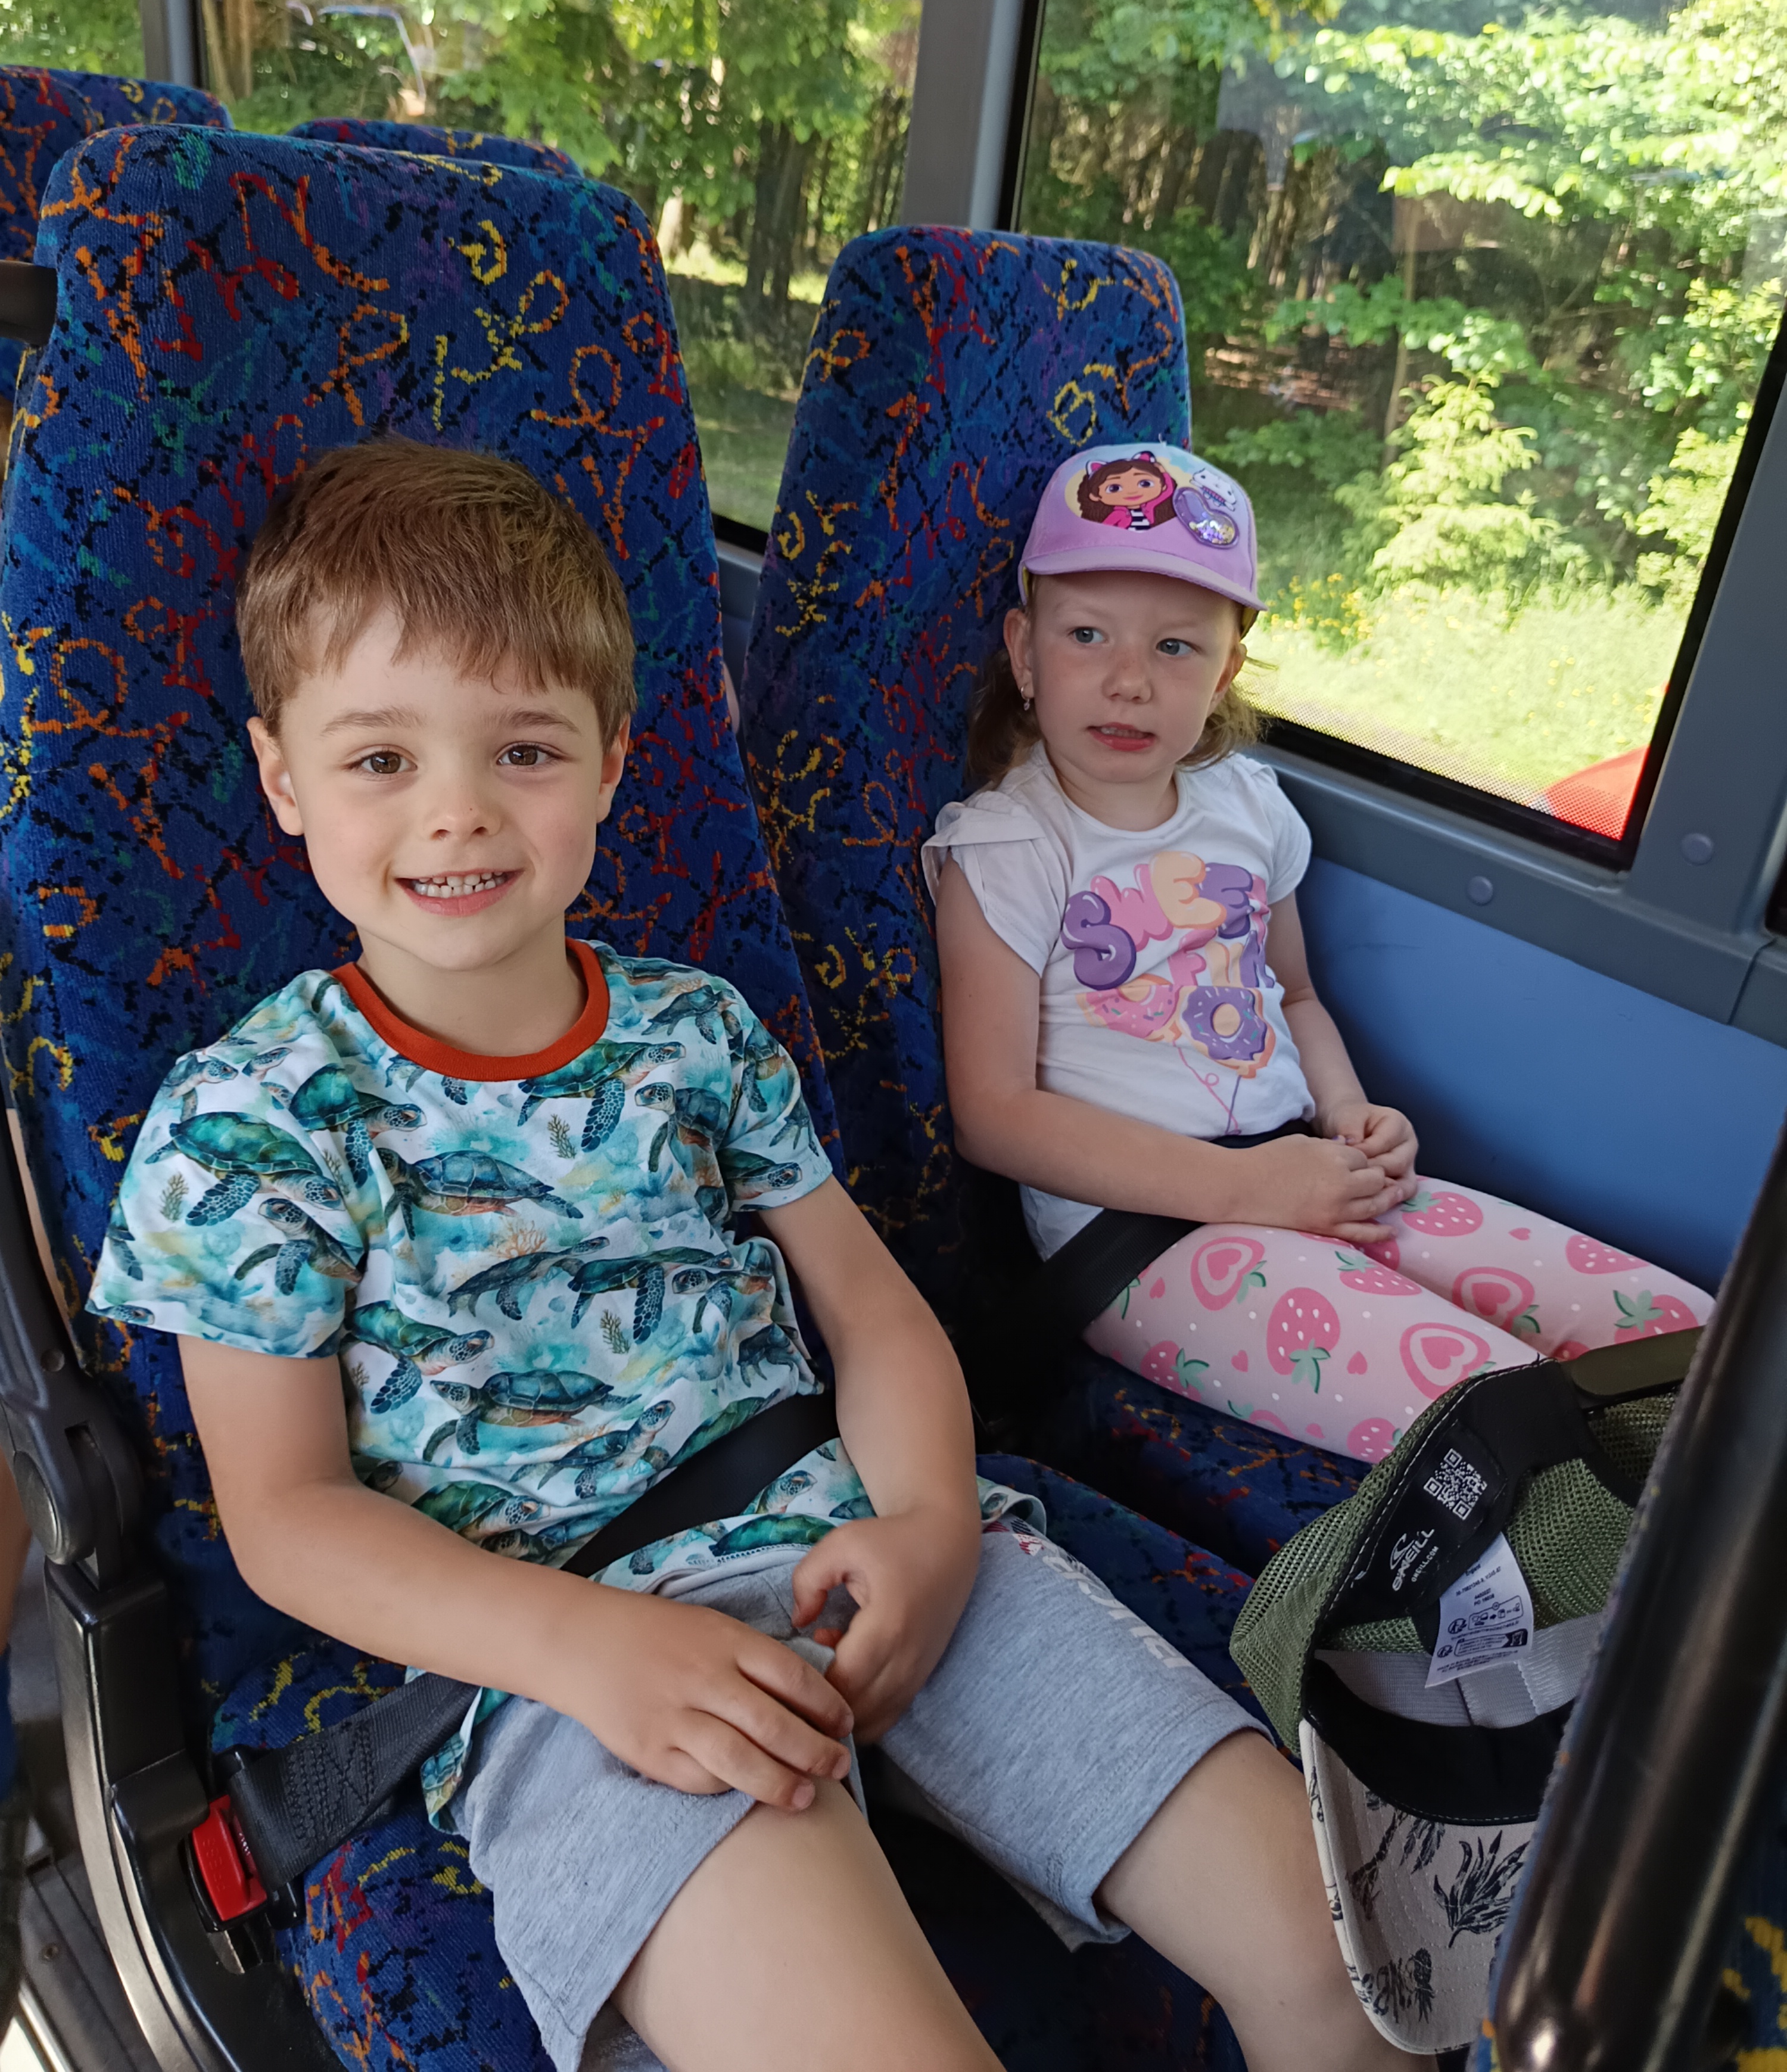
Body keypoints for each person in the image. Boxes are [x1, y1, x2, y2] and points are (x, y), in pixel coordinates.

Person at [89, 438, 1421, 2072]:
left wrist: (932, 1525)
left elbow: (870, 1309)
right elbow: (287, 1514)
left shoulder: (695, 1031)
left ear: (610, 762)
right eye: (379, 758)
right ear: (282, 777)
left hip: (860, 1534)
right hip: (563, 1662)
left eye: (524, 749)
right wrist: (582, 1648)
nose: (456, 811)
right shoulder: (249, 1120)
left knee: (1350, 1965)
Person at [928, 443, 1714, 1466]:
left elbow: (1292, 994)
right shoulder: (1010, 846)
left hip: (1301, 1165)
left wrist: (1346, 1111)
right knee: (1516, 1422)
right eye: (1086, 636)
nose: (1128, 681)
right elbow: (995, 1115)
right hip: (1138, 1238)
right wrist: (1248, 1192)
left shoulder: (1247, 807)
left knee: (1687, 1339)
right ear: (1025, 654)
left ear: (1225, 673)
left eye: (1176, 647)